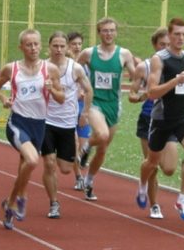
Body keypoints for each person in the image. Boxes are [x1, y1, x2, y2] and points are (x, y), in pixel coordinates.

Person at [0, 28, 64, 230]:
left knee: (25, 165)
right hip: (17, 123)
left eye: (36, 44)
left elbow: (61, 98)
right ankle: (16, 200)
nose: (33, 48)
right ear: (21, 47)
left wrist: (52, 89)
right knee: (32, 160)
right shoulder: (11, 68)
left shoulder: (50, 70)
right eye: (29, 44)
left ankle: (12, 203)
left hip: (39, 125)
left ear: (41, 46)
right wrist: (4, 98)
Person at [135, 17, 184, 221]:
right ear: (170, 35)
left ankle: (182, 198)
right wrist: (175, 81)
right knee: (152, 162)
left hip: (183, 115)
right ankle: (142, 186)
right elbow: (152, 92)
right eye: (177, 34)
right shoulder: (159, 59)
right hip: (162, 118)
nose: (181, 38)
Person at [76, 17, 135, 201]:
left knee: (102, 150)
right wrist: (79, 88)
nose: (108, 34)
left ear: (116, 32)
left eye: (111, 30)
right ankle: (85, 148)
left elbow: (135, 75)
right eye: (105, 30)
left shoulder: (124, 54)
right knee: (102, 135)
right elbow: (74, 70)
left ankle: (89, 181)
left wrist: (141, 74)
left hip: (114, 105)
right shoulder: (88, 53)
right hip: (95, 102)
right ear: (99, 33)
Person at [128, 27, 179, 219]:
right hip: (149, 119)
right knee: (153, 165)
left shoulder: (179, 64)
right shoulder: (145, 67)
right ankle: (154, 204)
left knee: (170, 168)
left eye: (168, 44)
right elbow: (132, 94)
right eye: (161, 44)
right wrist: (141, 96)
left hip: (170, 119)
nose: (165, 48)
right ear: (154, 45)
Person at [42, 31, 92, 218]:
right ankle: (54, 203)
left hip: (67, 123)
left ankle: (70, 164)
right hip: (46, 121)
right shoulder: (42, 67)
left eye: (62, 46)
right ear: (49, 46)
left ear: (67, 47)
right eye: (55, 46)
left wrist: (85, 112)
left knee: (65, 168)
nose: (58, 49)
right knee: (49, 163)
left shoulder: (75, 68)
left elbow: (89, 90)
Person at [67, 31, 90, 191]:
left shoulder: (86, 65)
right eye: (74, 44)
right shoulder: (64, 64)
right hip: (67, 109)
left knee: (83, 146)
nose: (77, 47)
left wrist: (85, 96)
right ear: (68, 45)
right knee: (73, 145)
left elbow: (90, 87)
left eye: (79, 44)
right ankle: (79, 177)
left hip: (82, 107)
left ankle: (81, 159)